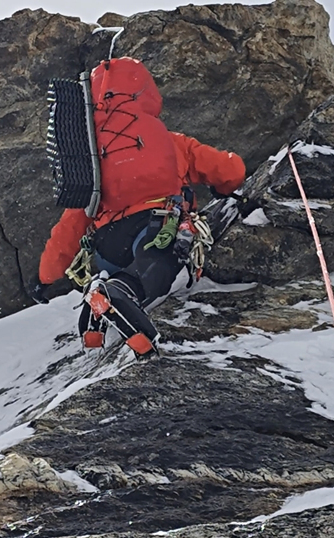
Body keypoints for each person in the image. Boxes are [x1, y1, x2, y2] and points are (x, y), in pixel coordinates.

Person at [35, 56, 246, 358]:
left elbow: (70, 224)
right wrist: (224, 184)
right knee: (161, 257)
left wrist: (44, 278)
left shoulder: (92, 159)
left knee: (130, 261)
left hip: (108, 247)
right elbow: (230, 171)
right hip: (156, 227)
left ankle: (103, 292)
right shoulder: (171, 143)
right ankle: (123, 290)